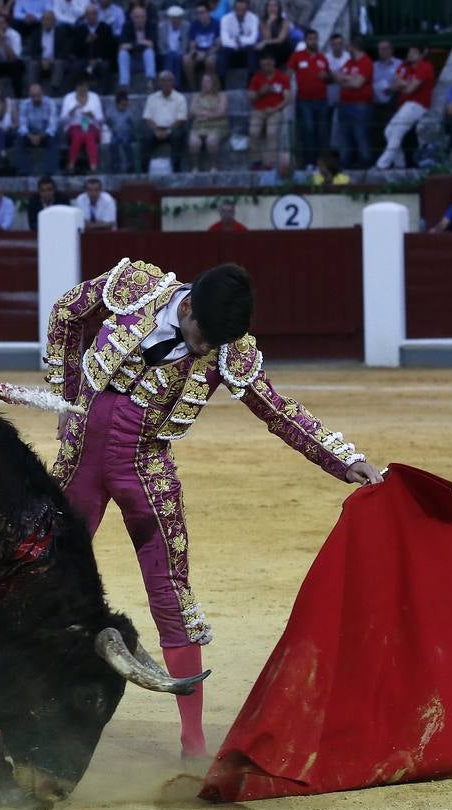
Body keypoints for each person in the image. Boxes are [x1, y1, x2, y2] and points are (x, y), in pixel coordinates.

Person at [37, 260, 380, 762]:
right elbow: (67, 311)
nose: (206, 350)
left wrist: (345, 459)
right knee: (40, 575)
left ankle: (193, 742)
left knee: (171, 589)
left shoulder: (228, 347)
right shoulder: (135, 287)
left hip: (143, 465)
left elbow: (277, 409)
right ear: (189, 304)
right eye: (202, 337)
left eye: (216, 344)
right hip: (80, 456)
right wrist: (68, 396)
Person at [376, 44, 434, 170]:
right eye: (409, 52)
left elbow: (409, 89)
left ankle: (382, 164)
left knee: (396, 131)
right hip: (404, 105)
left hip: (418, 104)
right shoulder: (404, 65)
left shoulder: (425, 67)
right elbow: (396, 83)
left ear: (422, 54)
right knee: (388, 131)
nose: (410, 54)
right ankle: (399, 162)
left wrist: (402, 83)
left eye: (414, 52)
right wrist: (402, 84)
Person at [287, 29, 328, 167]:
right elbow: (289, 74)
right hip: (304, 101)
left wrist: (327, 76)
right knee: (308, 131)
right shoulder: (297, 56)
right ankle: (310, 162)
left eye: (315, 38)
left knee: (322, 132)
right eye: (310, 38)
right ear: (305, 41)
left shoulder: (323, 58)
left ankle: (322, 162)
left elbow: (329, 77)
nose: (313, 41)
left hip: (322, 100)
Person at [245, 53, 288, 170]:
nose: (267, 65)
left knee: (272, 132)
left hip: (275, 110)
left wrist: (274, 109)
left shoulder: (282, 77)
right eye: (264, 63)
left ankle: (271, 163)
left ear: (273, 62)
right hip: (259, 110)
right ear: (260, 64)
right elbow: (251, 98)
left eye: (269, 63)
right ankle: (256, 161)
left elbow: (287, 98)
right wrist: (260, 92)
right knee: (253, 132)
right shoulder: (256, 78)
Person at [333, 37, 372, 168]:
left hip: (359, 105)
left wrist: (344, 79)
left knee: (360, 134)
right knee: (344, 135)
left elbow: (357, 83)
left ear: (354, 47)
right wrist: (348, 79)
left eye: (349, 46)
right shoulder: (349, 62)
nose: (347, 48)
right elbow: (336, 77)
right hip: (344, 104)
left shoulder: (366, 62)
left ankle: (365, 162)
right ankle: (345, 162)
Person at [142, 69, 188, 172]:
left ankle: (176, 170)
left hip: (173, 129)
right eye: (163, 80)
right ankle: (144, 171)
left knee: (178, 135)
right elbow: (148, 118)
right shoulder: (152, 98)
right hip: (156, 129)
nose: (166, 83)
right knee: (145, 137)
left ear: (173, 82)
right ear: (159, 83)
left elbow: (181, 120)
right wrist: (156, 130)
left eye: (169, 80)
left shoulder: (180, 98)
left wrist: (167, 131)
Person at [187, 71, 227, 172]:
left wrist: (205, 115)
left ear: (214, 83)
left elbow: (221, 112)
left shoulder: (221, 95)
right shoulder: (197, 96)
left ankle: (213, 166)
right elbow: (192, 110)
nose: (204, 84)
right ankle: (195, 167)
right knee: (194, 142)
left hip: (217, 125)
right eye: (203, 81)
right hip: (199, 125)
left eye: (207, 81)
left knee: (211, 140)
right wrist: (207, 114)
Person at [70, 3, 116, 91]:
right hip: (84, 59)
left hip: (100, 59)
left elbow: (110, 48)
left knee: (105, 66)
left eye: (94, 14)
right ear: (86, 16)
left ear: (97, 15)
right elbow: (75, 49)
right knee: (75, 66)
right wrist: (85, 42)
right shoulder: (80, 29)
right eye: (89, 14)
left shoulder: (105, 28)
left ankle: (104, 92)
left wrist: (98, 59)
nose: (91, 16)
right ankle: (76, 91)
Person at [16, 80, 58, 175]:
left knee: (53, 139)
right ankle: (24, 171)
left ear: (42, 94)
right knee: (19, 138)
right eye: (33, 96)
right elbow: (22, 125)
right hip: (30, 133)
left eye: (38, 96)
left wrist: (41, 136)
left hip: (45, 133)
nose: (36, 98)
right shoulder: (24, 104)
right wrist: (30, 136)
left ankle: (51, 171)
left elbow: (52, 126)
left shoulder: (50, 103)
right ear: (30, 96)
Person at [217, 0, 257, 86]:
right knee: (223, 51)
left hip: (246, 50)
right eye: (238, 10)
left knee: (252, 49)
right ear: (234, 9)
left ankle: (251, 82)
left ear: (247, 9)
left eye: (243, 10)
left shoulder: (253, 18)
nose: (241, 12)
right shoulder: (225, 19)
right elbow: (225, 40)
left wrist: (239, 40)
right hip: (231, 50)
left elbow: (253, 39)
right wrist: (237, 43)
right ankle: (222, 82)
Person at [117, 4, 157, 91]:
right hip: (131, 61)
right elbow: (122, 46)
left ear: (146, 17)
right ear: (132, 17)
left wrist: (131, 45)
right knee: (122, 54)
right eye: (137, 17)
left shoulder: (151, 25)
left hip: (145, 62)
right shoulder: (126, 26)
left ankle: (150, 82)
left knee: (149, 52)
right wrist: (141, 42)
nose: (140, 20)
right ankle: (124, 85)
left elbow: (151, 44)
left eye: (142, 17)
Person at [183, 3, 219, 90]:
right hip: (198, 53)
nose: (200, 15)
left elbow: (218, 46)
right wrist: (195, 53)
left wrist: (206, 54)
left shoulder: (216, 24)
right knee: (186, 59)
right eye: (198, 13)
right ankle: (193, 89)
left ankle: (210, 89)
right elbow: (192, 45)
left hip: (211, 53)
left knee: (210, 61)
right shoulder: (194, 25)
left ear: (208, 12)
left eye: (202, 12)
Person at [254, 0, 292, 68]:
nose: (272, 8)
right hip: (269, 46)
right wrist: (269, 24)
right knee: (263, 49)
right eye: (270, 6)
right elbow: (266, 37)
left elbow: (281, 39)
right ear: (266, 8)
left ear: (279, 8)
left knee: (277, 47)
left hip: (282, 46)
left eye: (275, 6)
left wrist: (265, 42)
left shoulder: (284, 21)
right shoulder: (262, 21)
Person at [158, 6, 188, 89]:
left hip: (180, 54)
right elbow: (161, 45)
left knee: (176, 57)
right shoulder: (162, 27)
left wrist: (178, 53)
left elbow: (185, 45)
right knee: (171, 56)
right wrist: (170, 53)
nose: (176, 20)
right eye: (174, 18)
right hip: (166, 54)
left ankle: (170, 85)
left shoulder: (186, 26)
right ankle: (174, 85)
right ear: (170, 18)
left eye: (179, 18)